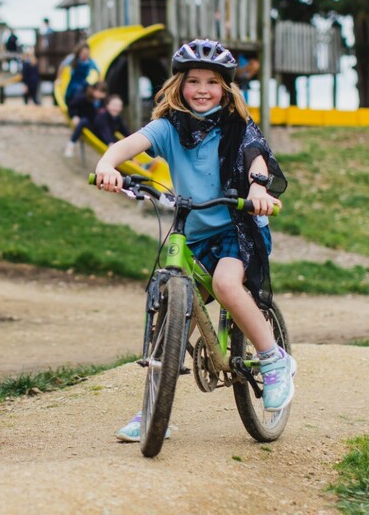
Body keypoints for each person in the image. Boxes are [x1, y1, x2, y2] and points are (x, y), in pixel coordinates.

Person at [93, 39, 293, 442]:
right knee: (171, 307)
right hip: (195, 230)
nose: (202, 90)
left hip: (237, 226)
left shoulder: (237, 126)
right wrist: (106, 166)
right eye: (193, 81)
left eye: (212, 82)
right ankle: (153, 408)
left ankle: (274, 361)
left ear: (226, 88)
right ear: (179, 85)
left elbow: (256, 156)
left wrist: (257, 188)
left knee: (224, 284)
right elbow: (125, 146)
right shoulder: (168, 128)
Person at [63, 81, 108, 157]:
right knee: (83, 121)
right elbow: (71, 106)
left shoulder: (102, 102)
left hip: (96, 123)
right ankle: (71, 143)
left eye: (102, 92)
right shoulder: (84, 98)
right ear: (93, 90)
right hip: (86, 121)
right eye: (99, 91)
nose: (100, 94)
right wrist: (74, 116)